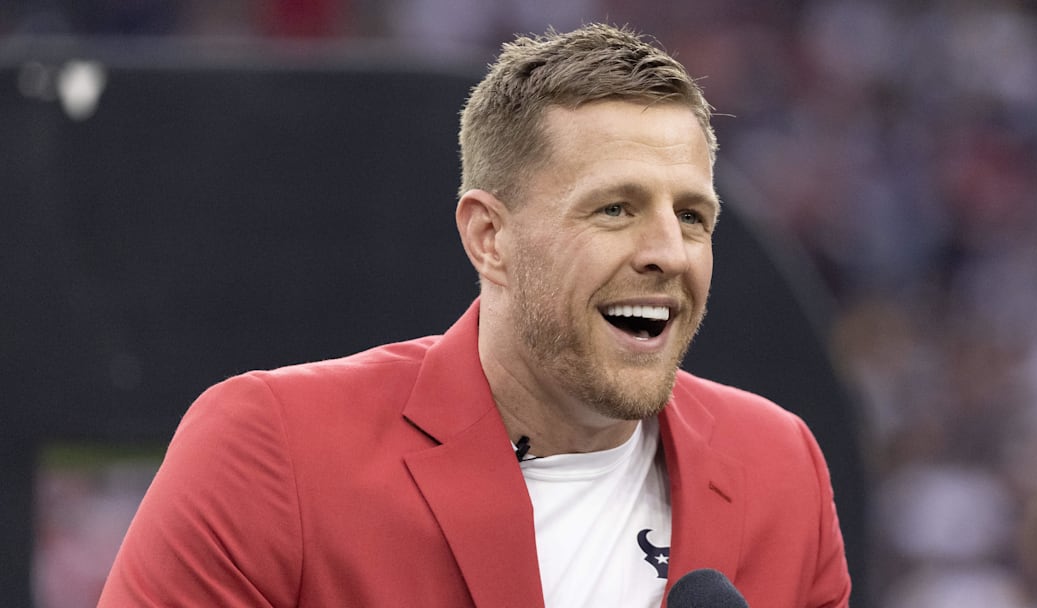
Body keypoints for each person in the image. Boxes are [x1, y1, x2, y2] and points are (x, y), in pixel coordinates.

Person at [98, 23, 850, 607]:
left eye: (692, 216)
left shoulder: (780, 466)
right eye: (615, 208)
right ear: (490, 237)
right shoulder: (271, 451)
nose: (668, 252)